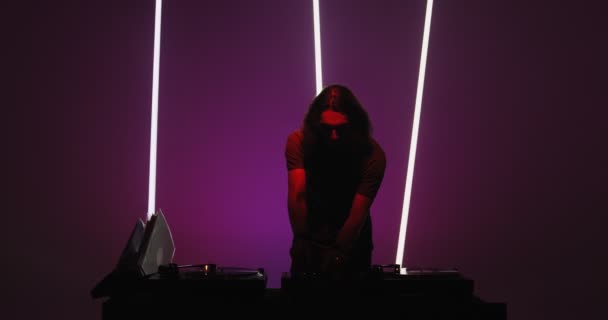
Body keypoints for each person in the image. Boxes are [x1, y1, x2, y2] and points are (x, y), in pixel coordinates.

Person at [285, 84, 386, 275]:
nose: (333, 136)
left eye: (340, 129)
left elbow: (358, 215)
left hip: (353, 245)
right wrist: (301, 239)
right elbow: (298, 195)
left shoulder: (373, 156)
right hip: (309, 238)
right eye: (327, 128)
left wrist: (340, 252)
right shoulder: (297, 143)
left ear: (355, 125)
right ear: (315, 125)